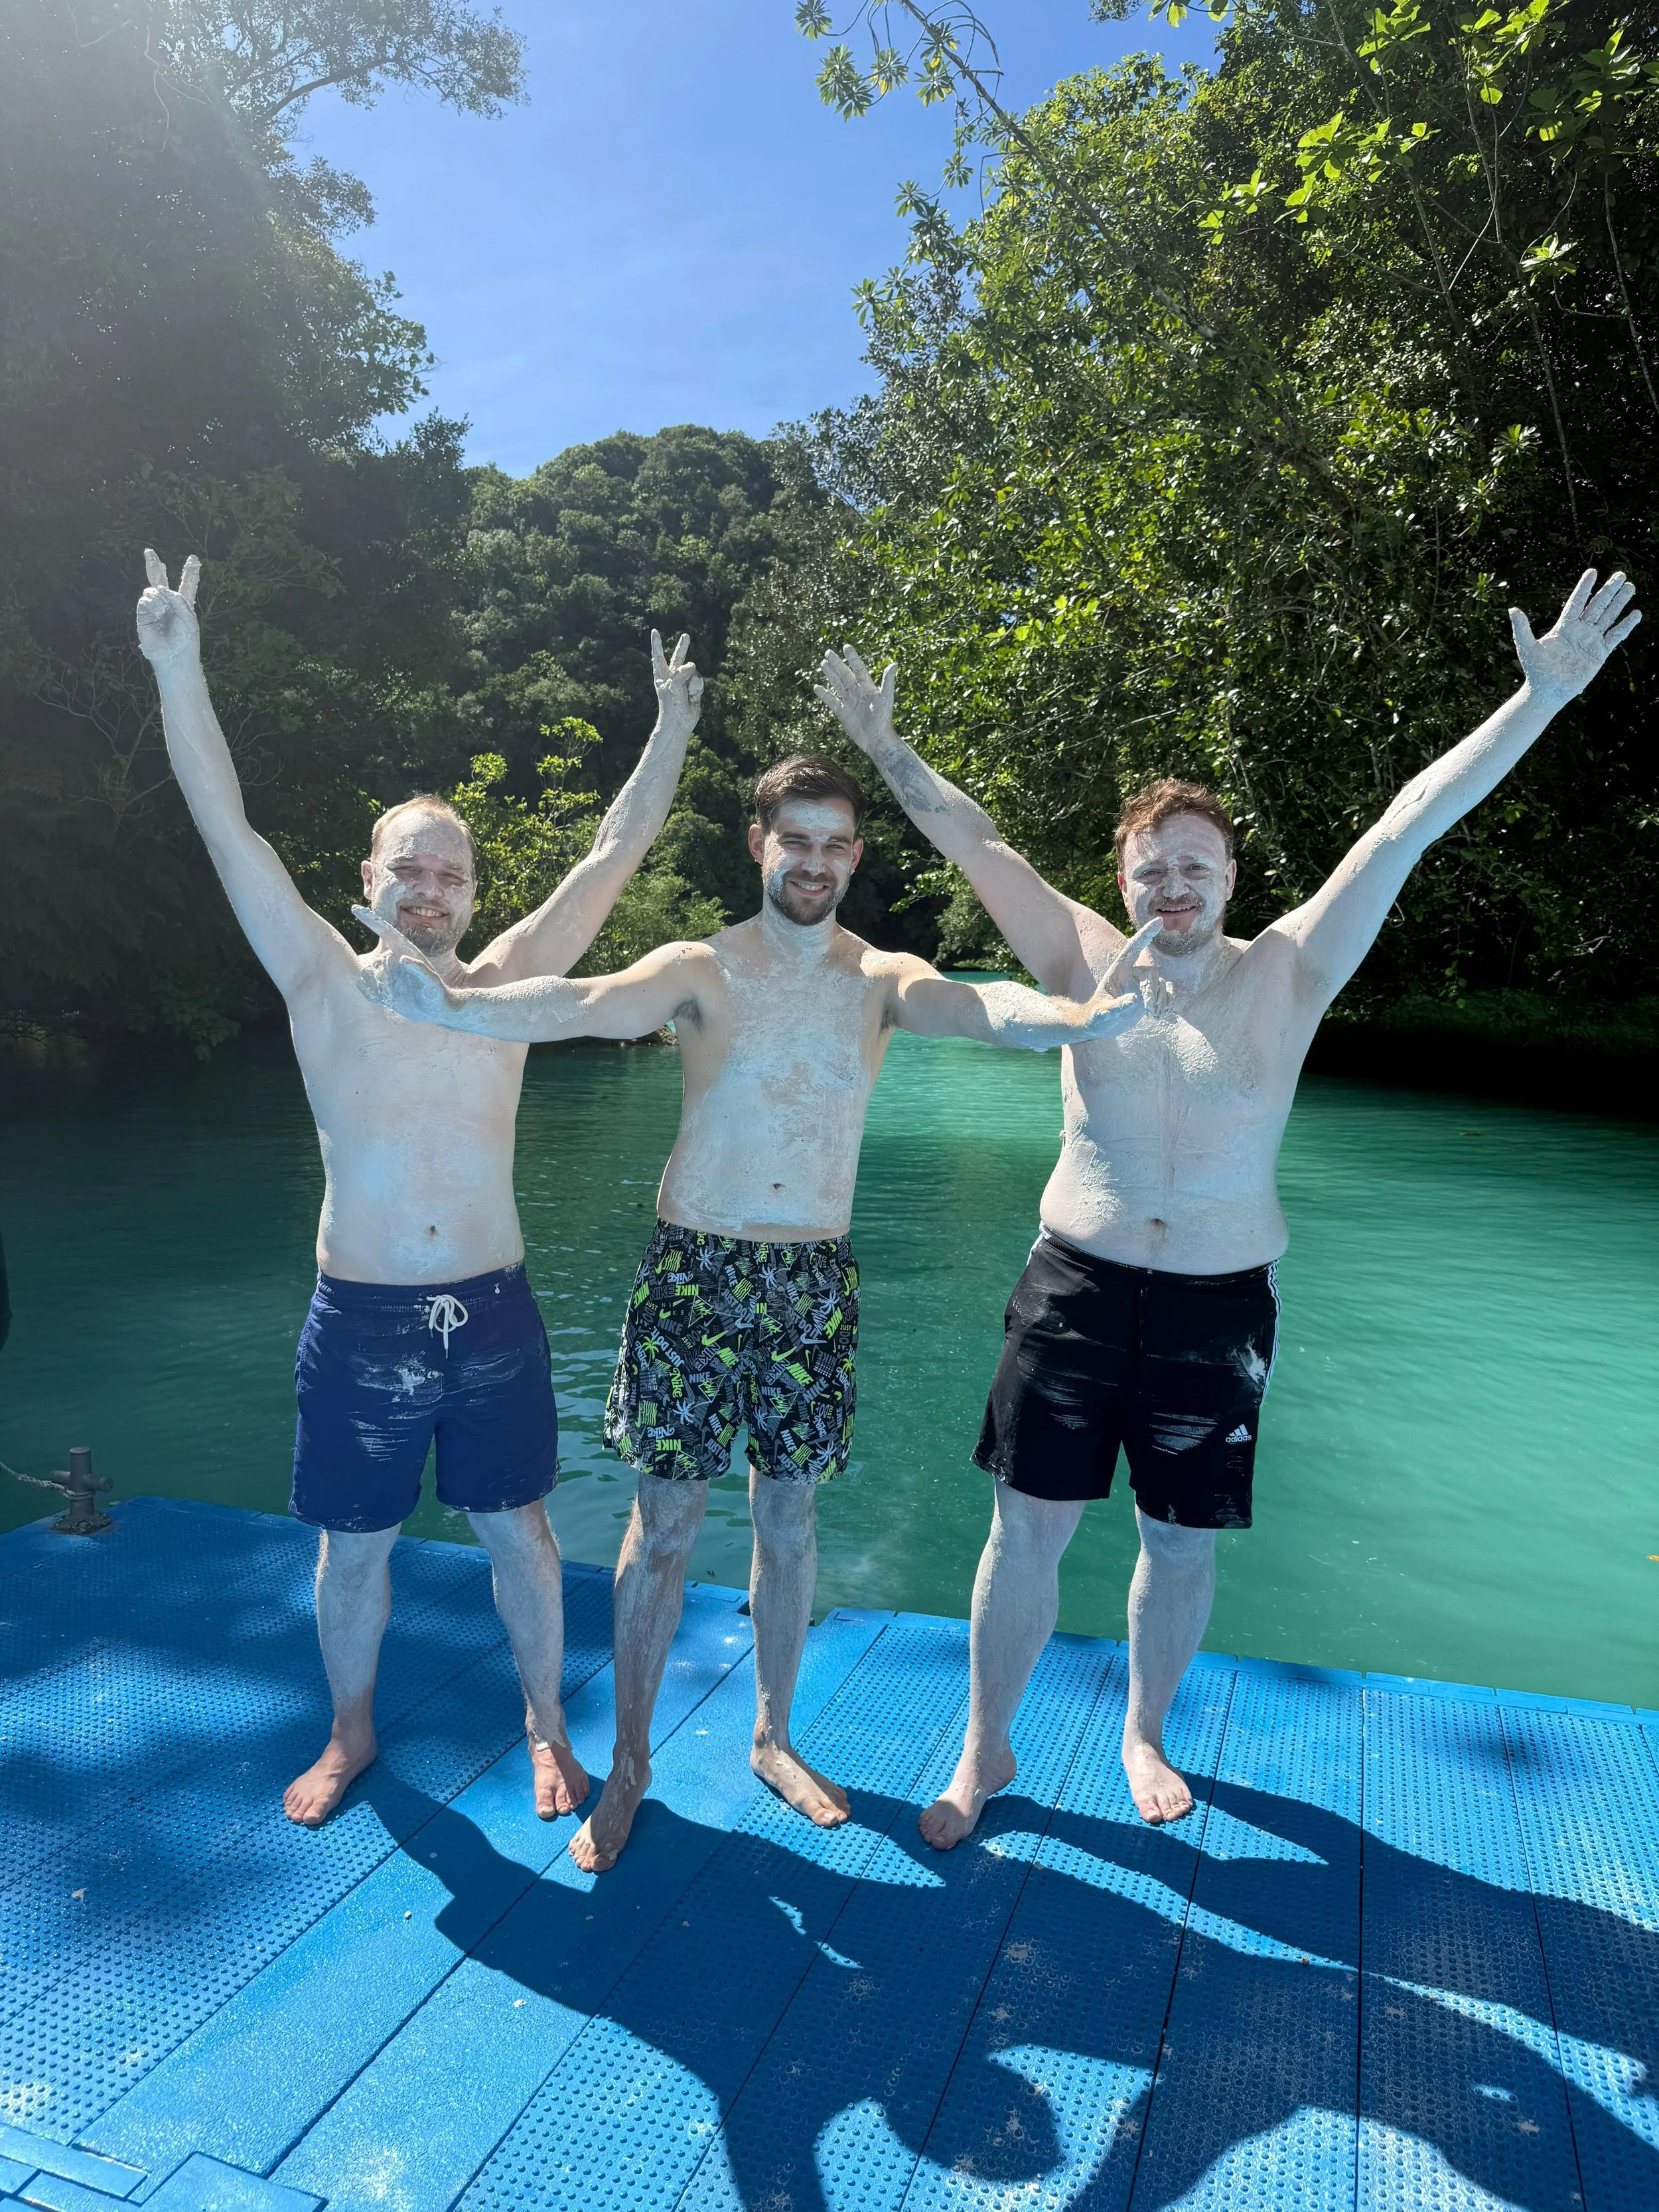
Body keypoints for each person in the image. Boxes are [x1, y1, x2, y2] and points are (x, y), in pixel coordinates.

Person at [814, 567, 1641, 1840]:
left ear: (1233, 877)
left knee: (1182, 1543)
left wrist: (1537, 704)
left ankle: (1144, 1732)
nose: (1173, 889)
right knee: (1023, 1534)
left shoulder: (1291, 971)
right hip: (1075, 1288)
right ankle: (985, 1747)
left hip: (1219, 1307)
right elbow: (978, 843)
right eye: (1151, 871)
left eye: (1194, 868)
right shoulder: (1080, 957)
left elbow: (1407, 824)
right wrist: (884, 748)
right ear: (1124, 883)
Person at [358, 751, 1159, 1871]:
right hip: (694, 1269)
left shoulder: (878, 976)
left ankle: (775, 1737)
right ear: (760, 845)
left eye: (835, 845)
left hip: (811, 1280)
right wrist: (454, 1003)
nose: (815, 863)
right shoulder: (702, 967)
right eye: (797, 842)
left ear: (855, 856)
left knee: (789, 1519)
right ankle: (629, 1763)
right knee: (664, 1528)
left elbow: (983, 1008)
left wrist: (1077, 1018)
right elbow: (582, 1002)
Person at [134, 550, 707, 1828]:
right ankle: (351, 1729)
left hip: (493, 1315)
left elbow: (614, 853)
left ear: (473, 894)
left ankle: (546, 1721)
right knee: (354, 1548)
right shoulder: (318, 979)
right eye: (411, 867)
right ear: (368, 881)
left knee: (523, 1536)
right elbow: (227, 823)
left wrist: (670, 729)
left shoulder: (507, 989)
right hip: (363, 1318)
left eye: (452, 873)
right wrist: (178, 664)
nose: (432, 890)